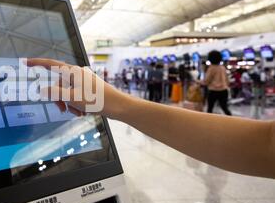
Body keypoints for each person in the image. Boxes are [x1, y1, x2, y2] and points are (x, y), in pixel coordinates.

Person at [27, 58, 275, 179]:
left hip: (210, 92)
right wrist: (121, 106)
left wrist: (122, 106)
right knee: (217, 105)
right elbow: (265, 145)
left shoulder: (211, 68)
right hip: (221, 93)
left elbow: (266, 145)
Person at [203, 50, 232, 116]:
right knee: (224, 108)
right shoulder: (222, 68)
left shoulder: (211, 68)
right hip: (224, 91)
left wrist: (198, 82)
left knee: (210, 109)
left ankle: (208, 122)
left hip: (213, 91)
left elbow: (206, 81)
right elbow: (227, 81)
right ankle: (232, 120)